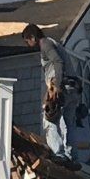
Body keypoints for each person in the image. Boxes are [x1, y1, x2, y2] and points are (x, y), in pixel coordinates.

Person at [24, 23, 78, 162]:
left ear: (33, 37)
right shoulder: (54, 43)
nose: (28, 45)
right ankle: (72, 157)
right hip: (73, 87)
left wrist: (58, 86)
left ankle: (59, 154)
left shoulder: (45, 44)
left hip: (62, 86)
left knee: (49, 119)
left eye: (27, 41)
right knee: (69, 123)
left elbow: (58, 62)